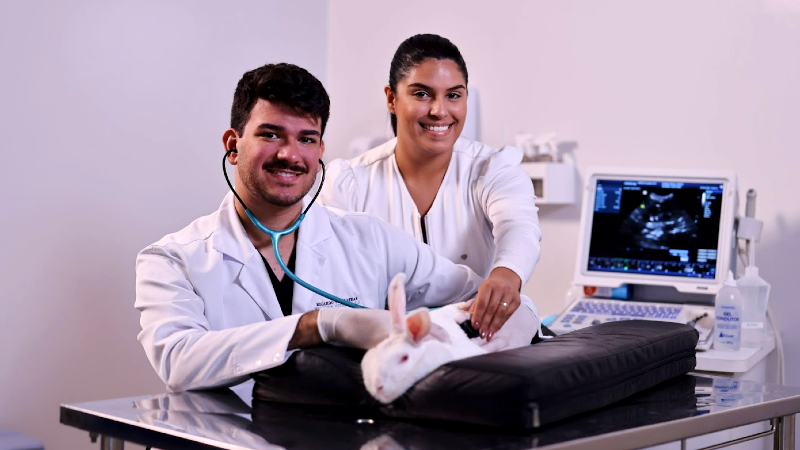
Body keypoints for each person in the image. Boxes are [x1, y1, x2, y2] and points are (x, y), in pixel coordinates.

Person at [135, 63, 540, 396]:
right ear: (233, 143)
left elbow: (488, 299)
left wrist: (494, 312)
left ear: (320, 152)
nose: (290, 154)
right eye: (270, 134)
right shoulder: (173, 259)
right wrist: (319, 326)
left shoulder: (370, 239)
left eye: (306, 139)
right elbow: (178, 360)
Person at [318, 34, 543, 341]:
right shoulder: (348, 182)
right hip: (381, 345)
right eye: (422, 94)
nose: (439, 110)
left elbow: (519, 226)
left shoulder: (493, 169)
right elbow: (329, 271)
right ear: (391, 99)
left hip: (475, 341)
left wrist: (506, 275)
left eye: (454, 95)